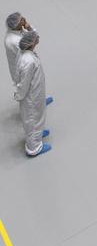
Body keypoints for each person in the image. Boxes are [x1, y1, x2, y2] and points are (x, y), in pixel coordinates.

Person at [14, 29, 51, 158]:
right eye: (36, 38)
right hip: (31, 98)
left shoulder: (28, 53)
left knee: (38, 117)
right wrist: (19, 95)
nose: (38, 38)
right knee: (32, 120)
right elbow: (23, 84)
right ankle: (33, 148)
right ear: (30, 43)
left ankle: (38, 135)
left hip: (36, 94)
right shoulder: (28, 61)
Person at [5, 12, 31, 83]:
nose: (24, 19)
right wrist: (29, 28)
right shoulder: (15, 41)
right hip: (23, 76)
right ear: (16, 25)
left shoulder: (15, 31)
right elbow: (34, 42)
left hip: (24, 73)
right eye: (21, 19)